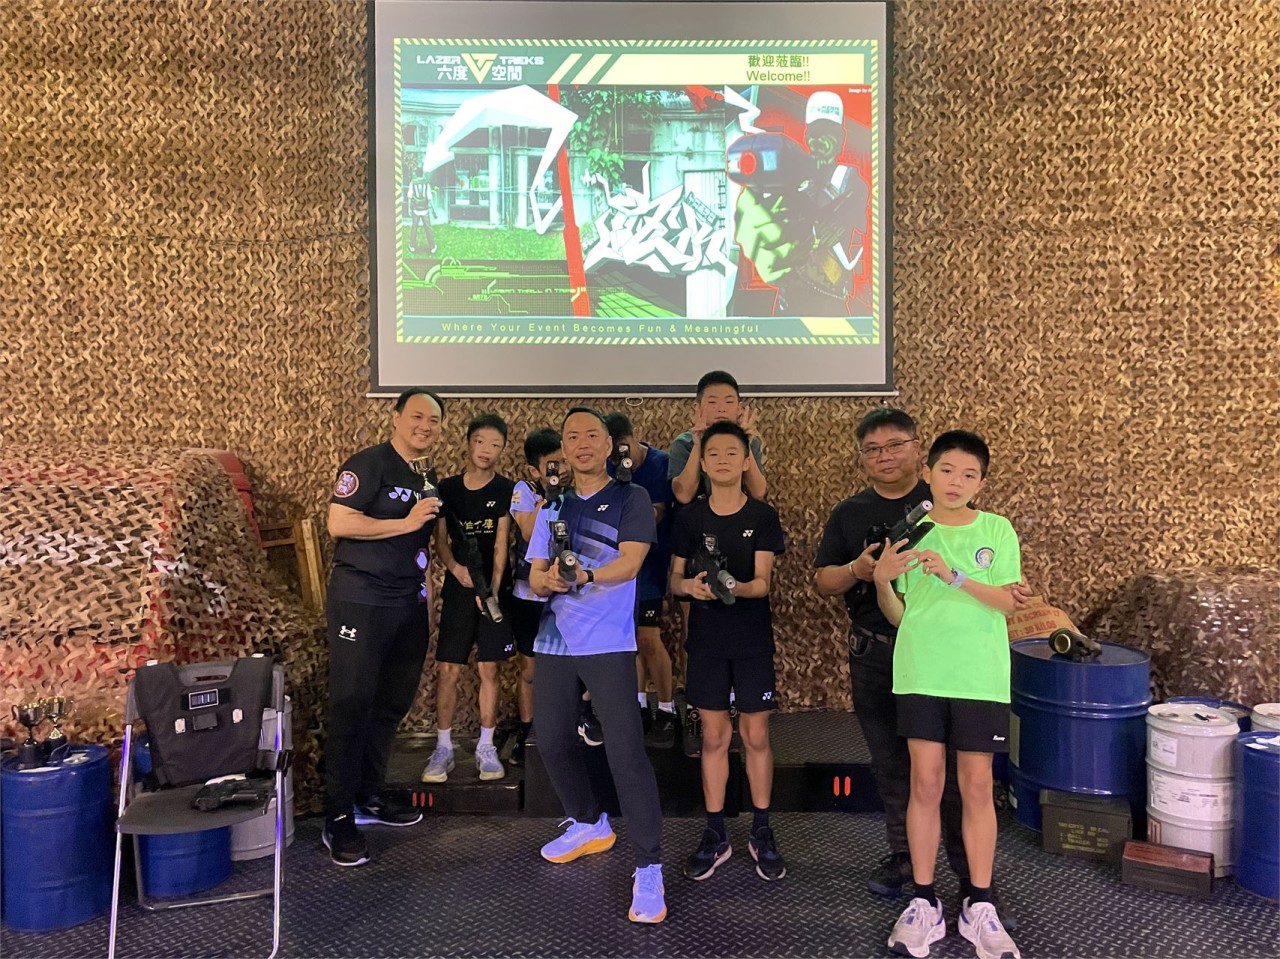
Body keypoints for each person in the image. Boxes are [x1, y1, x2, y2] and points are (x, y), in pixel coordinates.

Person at [872, 430, 1023, 959]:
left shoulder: (997, 529)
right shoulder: (912, 533)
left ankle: (980, 904)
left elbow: (1007, 602)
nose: (956, 482)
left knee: (977, 786)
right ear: (928, 473)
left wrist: (954, 575)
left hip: (979, 677)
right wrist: (882, 581)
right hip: (921, 673)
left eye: (969, 474)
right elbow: (900, 616)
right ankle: (923, 901)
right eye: (947, 470)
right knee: (925, 783)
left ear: (981, 482)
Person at [526, 407, 667, 924]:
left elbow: (630, 563)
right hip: (555, 639)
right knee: (551, 738)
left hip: (608, 641)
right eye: (572, 437)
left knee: (626, 751)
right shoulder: (553, 506)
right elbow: (535, 575)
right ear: (563, 450)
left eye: (592, 435)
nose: (582, 443)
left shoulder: (631, 498)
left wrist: (583, 576)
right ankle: (589, 823)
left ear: (609, 446)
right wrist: (548, 580)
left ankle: (649, 866)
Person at [321, 388, 444, 867]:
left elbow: (424, 545)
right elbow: (339, 522)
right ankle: (337, 816)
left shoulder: (427, 476)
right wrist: (405, 522)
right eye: (417, 416)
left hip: (407, 603)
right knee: (351, 704)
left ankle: (368, 793)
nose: (425, 426)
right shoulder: (368, 464)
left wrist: (426, 600)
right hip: (361, 601)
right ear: (396, 417)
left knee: (390, 704)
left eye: (434, 420)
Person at [670, 421, 787, 882]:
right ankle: (716, 832)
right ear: (701, 462)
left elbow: (762, 583)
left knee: (756, 736)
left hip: (752, 642)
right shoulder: (690, 518)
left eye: (731, 452)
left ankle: (762, 829)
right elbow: (674, 580)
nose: (722, 460)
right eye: (713, 453)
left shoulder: (762, 515)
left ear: (745, 461)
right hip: (706, 643)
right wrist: (691, 588)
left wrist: (732, 586)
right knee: (715, 737)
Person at [420, 413, 515, 784]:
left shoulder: (506, 489)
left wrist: (489, 591)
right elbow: (441, 541)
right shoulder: (446, 488)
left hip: (492, 593)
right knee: (448, 668)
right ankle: (443, 748)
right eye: (480, 442)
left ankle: (486, 747)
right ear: (468, 443)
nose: (486, 450)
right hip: (458, 590)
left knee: (490, 669)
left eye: (495, 445)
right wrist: (456, 569)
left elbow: (502, 547)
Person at [731, 90, 869, 316]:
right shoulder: (791, 176)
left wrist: (840, 224)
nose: (818, 141)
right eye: (813, 133)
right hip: (788, 300)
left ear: (841, 139)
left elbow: (861, 219)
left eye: (827, 134)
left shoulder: (851, 180)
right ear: (806, 136)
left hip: (831, 297)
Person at [604, 411, 677, 747]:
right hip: (618, 565)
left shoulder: (660, 463)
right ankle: (639, 705)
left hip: (652, 564)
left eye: (624, 449)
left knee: (649, 638)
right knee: (628, 640)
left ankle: (667, 709)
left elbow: (658, 512)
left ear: (634, 437)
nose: (622, 458)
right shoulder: (606, 467)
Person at [505, 426, 568, 766]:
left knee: (568, 669)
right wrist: (549, 499)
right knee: (530, 669)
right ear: (534, 470)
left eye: (564, 461)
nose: (562, 469)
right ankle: (527, 731)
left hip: (564, 595)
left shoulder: (578, 491)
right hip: (528, 596)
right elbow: (530, 533)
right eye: (553, 464)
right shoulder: (525, 490)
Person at [668, 370, 766, 506]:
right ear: (697, 407)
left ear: (739, 408)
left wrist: (744, 442)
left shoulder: (751, 441)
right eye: (712, 402)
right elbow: (683, 496)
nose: (721, 409)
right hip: (695, 515)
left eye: (729, 402)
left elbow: (758, 493)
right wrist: (698, 444)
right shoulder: (684, 443)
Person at [408, 165, 436, 254]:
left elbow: (409, 197)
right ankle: (432, 247)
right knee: (428, 228)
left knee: (414, 228)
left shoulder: (412, 183)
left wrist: (409, 209)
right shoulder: (426, 183)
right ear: (422, 173)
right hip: (425, 210)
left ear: (416, 174)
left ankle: (412, 246)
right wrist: (433, 210)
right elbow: (429, 198)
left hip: (416, 209)